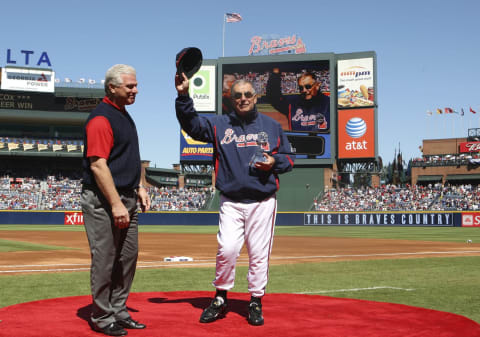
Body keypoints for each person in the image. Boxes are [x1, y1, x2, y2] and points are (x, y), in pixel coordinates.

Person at [175, 73, 295, 326]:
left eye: (247, 94)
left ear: (255, 97)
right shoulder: (220, 124)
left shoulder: (272, 126)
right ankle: (220, 297)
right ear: (231, 99)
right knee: (227, 249)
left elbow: (289, 159)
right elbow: (191, 125)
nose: (243, 99)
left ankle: (255, 301)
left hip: (262, 201)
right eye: (237, 95)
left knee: (259, 254)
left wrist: (275, 161)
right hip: (231, 200)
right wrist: (183, 96)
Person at [81, 64, 150, 336]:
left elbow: (133, 157)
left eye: (135, 84)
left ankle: (119, 310)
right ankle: (102, 316)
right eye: (130, 86)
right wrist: (116, 203)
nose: (136, 89)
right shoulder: (101, 118)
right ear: (112, 87)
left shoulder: (124, 116)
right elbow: (98, 165)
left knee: (127, 257)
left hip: (128, 196)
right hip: (104, 201)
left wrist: (141, 186)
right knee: (105, 259)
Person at [266, 68, 330, 132]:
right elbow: (273, 97)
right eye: (301, 88)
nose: (304, 90)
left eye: (308, 86)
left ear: (317, 86)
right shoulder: (292, 102)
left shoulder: (328, 103)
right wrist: (275, 74)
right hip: (298, 140)